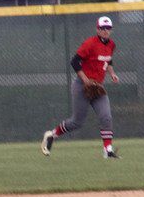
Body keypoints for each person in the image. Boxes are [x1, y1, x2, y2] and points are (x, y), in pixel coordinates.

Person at [41, 16, 120, 158]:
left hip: (98, 87)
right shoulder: (90, 43)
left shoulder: (111, 45)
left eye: (108, 28)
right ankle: (52, 135)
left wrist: (112, 74)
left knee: (106, 117)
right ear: (97, 29)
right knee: (77, 122)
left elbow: (108, 61)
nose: (106, 31)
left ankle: (108, 150)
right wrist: (86, 80)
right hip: (81, 86)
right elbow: (75, 62)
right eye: (103, 28)